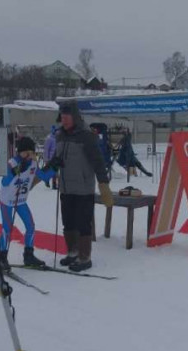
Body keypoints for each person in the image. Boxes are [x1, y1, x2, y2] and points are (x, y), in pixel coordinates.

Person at [55, 102, 113, 272]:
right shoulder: (60, 136)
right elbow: (56, 161)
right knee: (68, 222)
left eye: (67, 117)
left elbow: (97, 161)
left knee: (82, 223)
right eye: (62, 117)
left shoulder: (86, 136)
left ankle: (84, 257)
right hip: (66, 188)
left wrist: (103, 184)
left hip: (83, 189)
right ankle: (72, 252)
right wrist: (38, 177)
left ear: (75, 117)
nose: (64, 120)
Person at [0, 136, 60, 270]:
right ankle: (1, 257)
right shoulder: (12, 163)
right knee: (7, 229)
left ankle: (28, 255)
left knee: (30, 226)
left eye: (32, 152)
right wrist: (13, 173)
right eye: (28, 152)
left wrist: (54, 167)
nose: (31, 155)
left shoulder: (32, 164)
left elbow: (43, 176)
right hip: (7, 201)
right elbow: (4, 182)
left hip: (20, 201)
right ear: (21, 152)